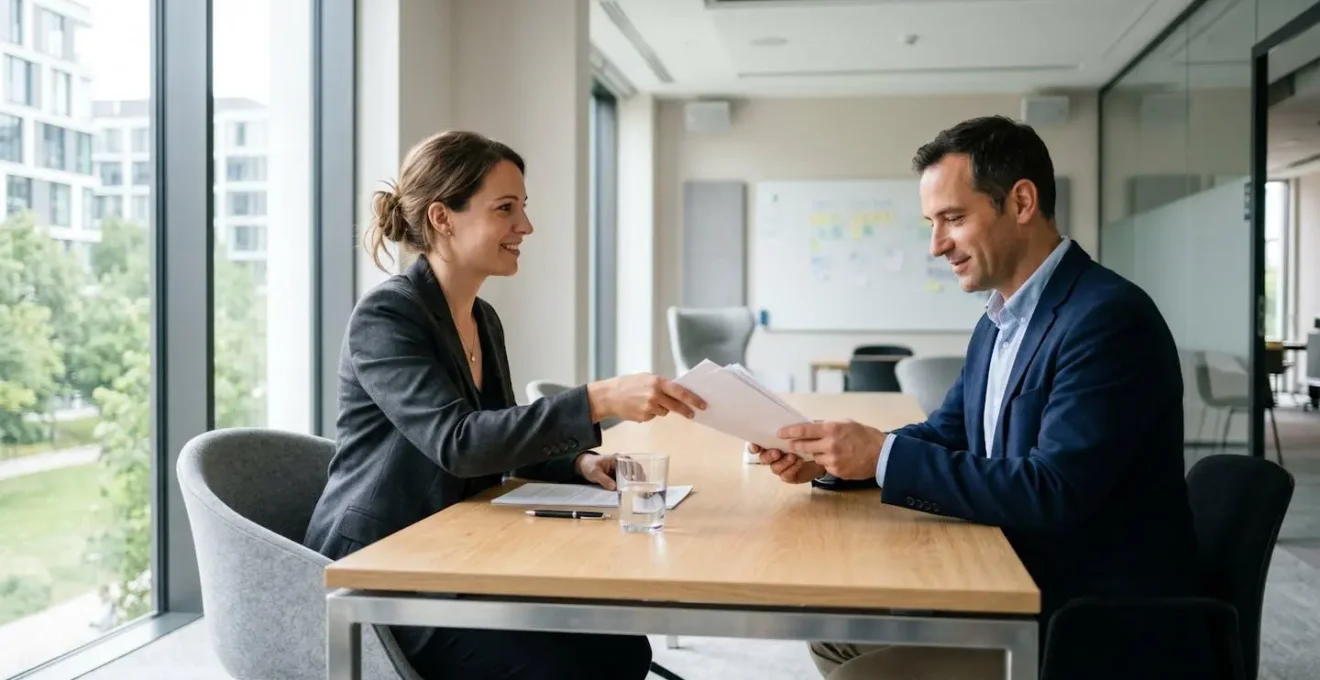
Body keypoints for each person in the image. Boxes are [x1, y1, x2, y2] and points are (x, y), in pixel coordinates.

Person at [755, 116, 1209, 679]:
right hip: (1017, 579)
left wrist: (882, 456)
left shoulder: (1107, 319)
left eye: (952, 218)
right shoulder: (999, 320)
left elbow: (1054, 491)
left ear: (1020, 201)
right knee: (833, 635)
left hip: (1087, 619)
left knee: (857, 673)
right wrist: (835, 458)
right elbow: (950, 431)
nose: (936, 245)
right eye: (932, 223)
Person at [304, 130, 707, 680]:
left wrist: (577, 463)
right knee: (565, 667)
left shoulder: (481, 317)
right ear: (443, 217)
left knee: (622, 650)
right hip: (385, 567)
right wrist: (598, 397)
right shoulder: (387, 316)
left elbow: (499, 435)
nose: (526, 226)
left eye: (524, 208)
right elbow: (459, 443)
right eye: (505, 209)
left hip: (458, 554)